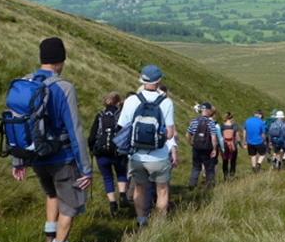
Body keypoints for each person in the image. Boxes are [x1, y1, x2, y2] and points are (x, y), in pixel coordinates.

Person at [11, 37, 92, 242]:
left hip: (36, 158)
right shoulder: (64, 87)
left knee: (51, 195)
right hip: (62, 158)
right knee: (70, 207)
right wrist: (86, 168)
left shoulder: (25, 83)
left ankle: (49, 238)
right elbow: (75, 129)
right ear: (61, 59)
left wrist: (19, 160)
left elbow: (17, 124)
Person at [117, 65, 176, 227]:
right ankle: (159, 223)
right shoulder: (166, 102)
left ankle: (142, 220)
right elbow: (170, 134)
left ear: (142, 80)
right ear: (159, 81)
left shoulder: (131, 100)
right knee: (162, 190)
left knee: (140, 189)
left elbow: (122, 127)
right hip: (159, 156)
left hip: (136, 156)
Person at [88, 92, 129, 215]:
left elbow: (92, 136)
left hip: (101, 152)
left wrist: (91, 149)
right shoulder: (121, 115)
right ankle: (122, 195)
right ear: (118, 102)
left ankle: (112, 203)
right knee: (121, 173)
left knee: (107, 178)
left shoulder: (99, 115)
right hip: (118, 152)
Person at [187, 102, 219, 189]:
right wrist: (214, 149)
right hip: (207, 148)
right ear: (208, 111)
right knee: (209, 168)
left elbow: (188, 134)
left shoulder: (194, 121)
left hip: (196, 147)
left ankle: (192, 185)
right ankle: (210, 186)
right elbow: (213, 137)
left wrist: (190, 142)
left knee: (196, 167)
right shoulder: (211, 122)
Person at [220, 112, 240, 180]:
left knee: (225, 160)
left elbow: (221, 137)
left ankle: (225, 175)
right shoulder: (234, 126)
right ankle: (232, 175)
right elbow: (237, 137)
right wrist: (240, 144)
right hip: (233, 145)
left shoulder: (222, 126)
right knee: (233, 161)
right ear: (231, 118)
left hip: (225, 145)